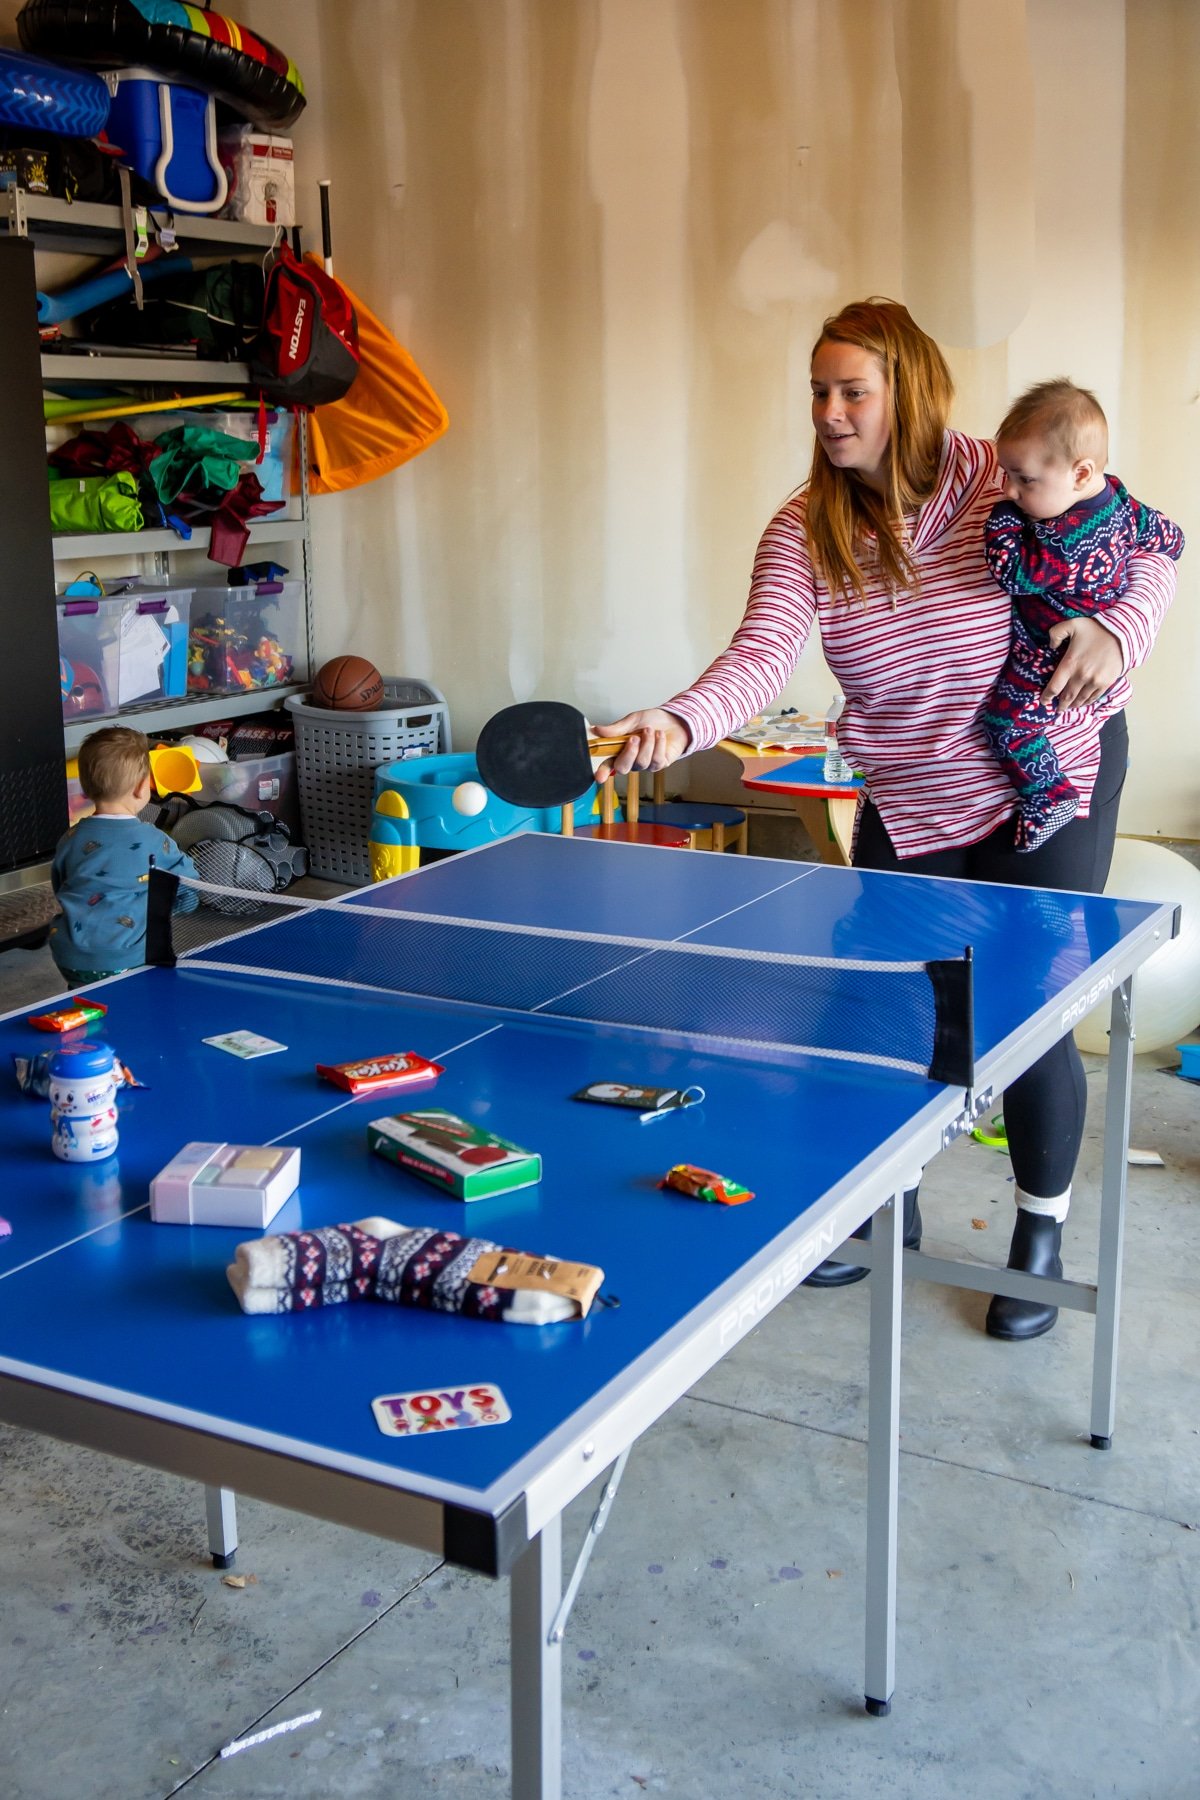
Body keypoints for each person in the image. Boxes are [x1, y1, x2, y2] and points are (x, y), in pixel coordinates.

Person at [593, 297, 1176, 1341]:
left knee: (1030, 1009)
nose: (827, 410)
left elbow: (1147, 545)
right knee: (884, 1011)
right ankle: (886, 1202)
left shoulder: (998, 473)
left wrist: (1115, 632)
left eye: (850, 389)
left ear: (905, 391)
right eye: (817, 390)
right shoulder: (805, 527)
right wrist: (681, 722)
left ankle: (1036, 1237)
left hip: (1045, 775)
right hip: (911, 792)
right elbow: (762, 655)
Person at [981, 379, 1184, 851]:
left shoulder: (1061, 540)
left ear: (1079, 472)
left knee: (1006, 722)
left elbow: (1013, 573)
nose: (1009, 489)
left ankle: (1050, 795)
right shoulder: (1116, 497)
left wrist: (1004, 520)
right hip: (1069, 645)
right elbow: (1167, 536)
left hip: (1050, 656)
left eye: (1024, 480)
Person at [50, 726, 199, 987]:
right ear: (143, 787)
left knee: (87, 995)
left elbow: (60, 883)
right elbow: (189, 889)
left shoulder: (70, 839)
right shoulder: (156, 841)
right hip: (128, 958)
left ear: (85, 787)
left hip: (69, 956)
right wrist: (171, 909)